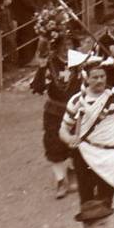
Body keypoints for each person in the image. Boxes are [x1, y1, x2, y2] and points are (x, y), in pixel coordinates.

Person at [59, 59, 114, 207]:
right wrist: (69, 138)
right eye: (95, 77)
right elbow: (63, 129)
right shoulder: (77, 101)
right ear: (87, 79)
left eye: (102, 76)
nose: (99, 80)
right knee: (87, 201)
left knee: (106, 202)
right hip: (84, 154)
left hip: (109, 154)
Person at [31, 33, 82, 199]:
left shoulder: (81, 62)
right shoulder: (51, 63)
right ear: (57, 46)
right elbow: (38, 88)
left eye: (70, 44)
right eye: (63, 45)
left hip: (77, 109)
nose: (67, 48)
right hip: (55, 110)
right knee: (54, 144)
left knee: (79, 141)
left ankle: (73, 171)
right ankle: (60, 180)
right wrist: (41, 66)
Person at [9, 0, 38, 67]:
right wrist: (35, 9)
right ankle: (26, 60)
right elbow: (26, 0)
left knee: (23, 36)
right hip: (24, 14)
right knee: (27, 36)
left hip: (20, 13)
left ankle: (24, 59)